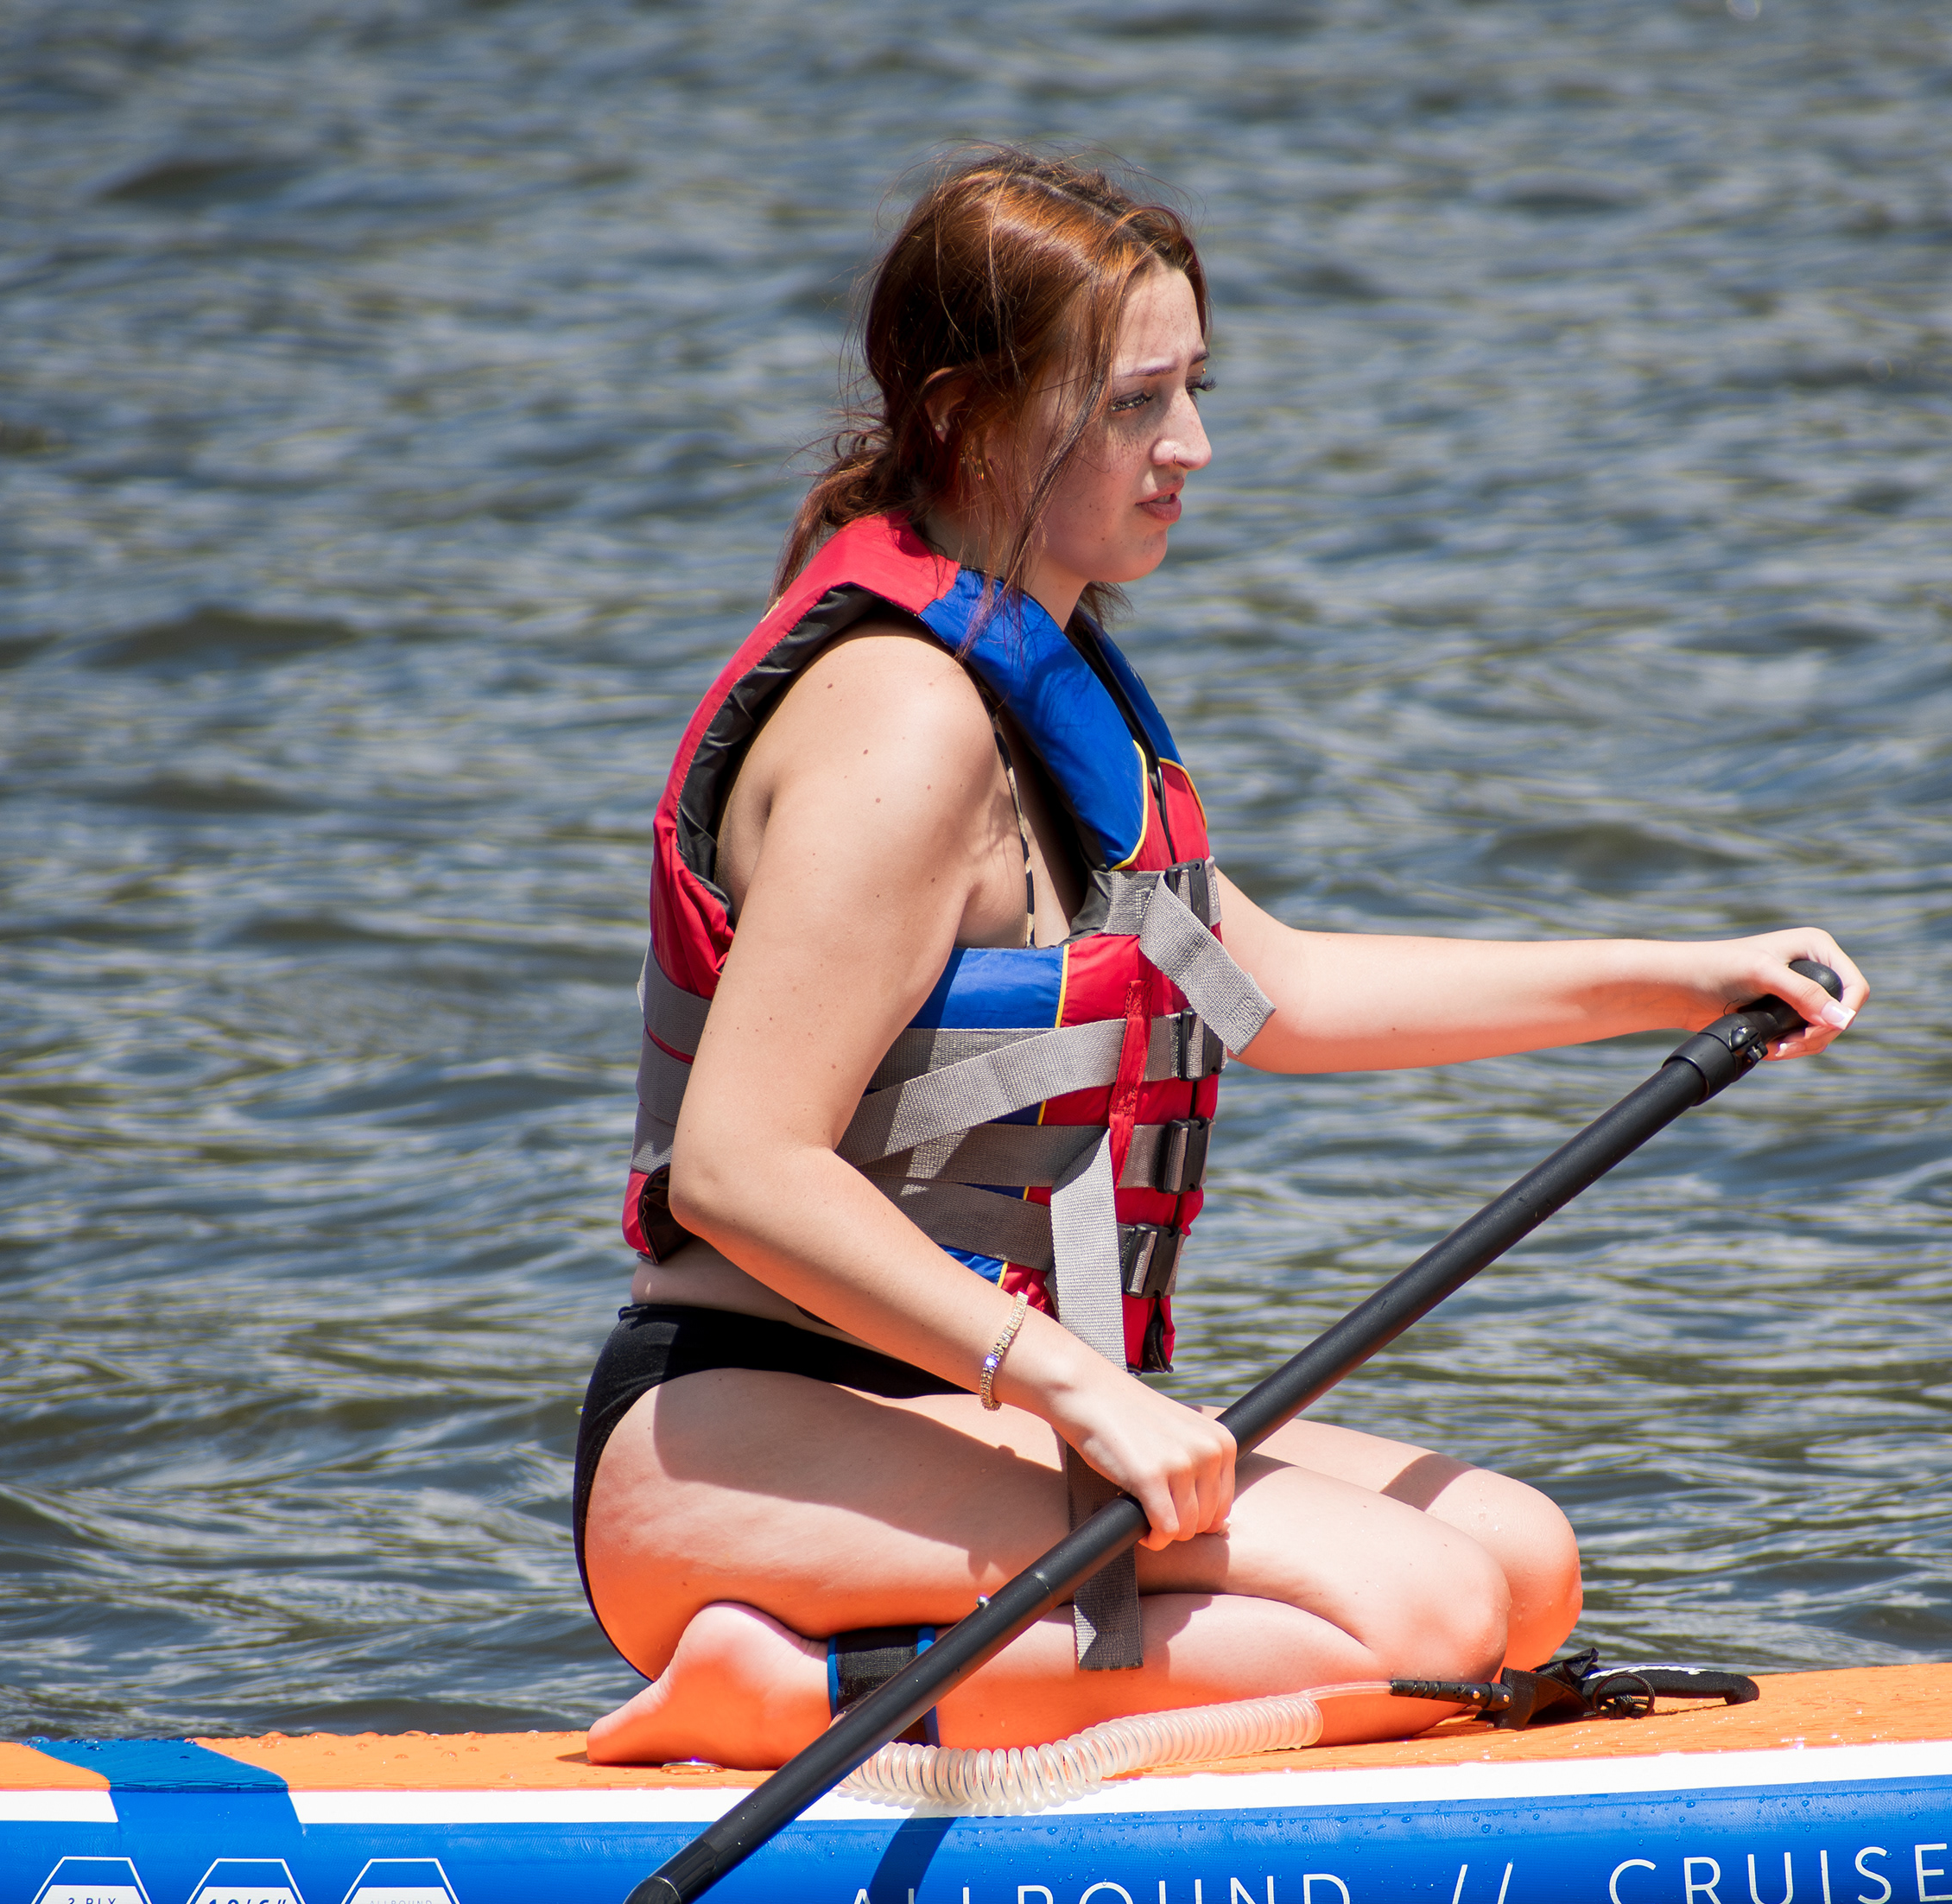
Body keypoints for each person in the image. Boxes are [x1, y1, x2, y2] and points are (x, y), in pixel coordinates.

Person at [577, 149, 1864, 1770]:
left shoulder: (1051, 696)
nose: (1191, 447)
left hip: (941, 1406)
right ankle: (784, 1694)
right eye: (1133, 403)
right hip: (737, 1435)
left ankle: (895, 1663)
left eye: (1194, 388)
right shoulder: (900, 721)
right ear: (978, 414)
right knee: (1436, 1624)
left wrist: (1690, 977)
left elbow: (1284, 995)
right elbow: (738, 1168)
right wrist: (1083, 1391)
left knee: (1521, 1565)